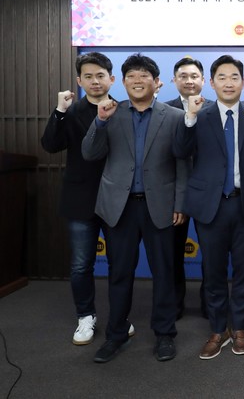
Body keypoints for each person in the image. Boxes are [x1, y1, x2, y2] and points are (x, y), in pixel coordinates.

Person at [82, 53, 188, 363]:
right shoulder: (110, 112)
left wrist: (180, 203)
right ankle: (115, 335)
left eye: (144, 76)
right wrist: (100, 121)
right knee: (119, 274)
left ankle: (165, 334)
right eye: (131, 76)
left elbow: (183, 164)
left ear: (157, 82)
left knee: (164, 273)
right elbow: (89, 153)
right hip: (120, 208)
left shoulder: (174, 116)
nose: (137, 80)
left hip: (160, 206)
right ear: (123, 82)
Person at [176, 55, 244, 359]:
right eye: (222, 77)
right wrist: (189, 118)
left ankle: (240, 327)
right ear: (211, 82)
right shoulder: (199, 114)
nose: (228, 83)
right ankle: (218, 329)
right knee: (213, 271)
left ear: (243, 82)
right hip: (210, 206)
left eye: (234, 77)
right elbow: (180, 151)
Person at [41, 52, 123, 345]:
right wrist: (59, 111)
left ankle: (119, 317)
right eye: (88, 76)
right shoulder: (71, 111)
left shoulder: (123, 110)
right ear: (79, 81)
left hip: (117, 200)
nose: (95, 81)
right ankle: (85, 316)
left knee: (119, 264)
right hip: (79, 200)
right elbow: (50, 145)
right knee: (80, 266)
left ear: (111, 79)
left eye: (100, 75)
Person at [164, 56, 211, 319]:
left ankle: (210, 304)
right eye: (183, 76)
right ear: (174, 80)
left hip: (209, 194)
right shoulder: (164, 110)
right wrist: (176, 200)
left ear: (203, 80)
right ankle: (174, 304)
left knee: (212, 255)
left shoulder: (216, 109)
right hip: (174, 194)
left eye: (194, 76)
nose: (189, 80)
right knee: (173, 254)